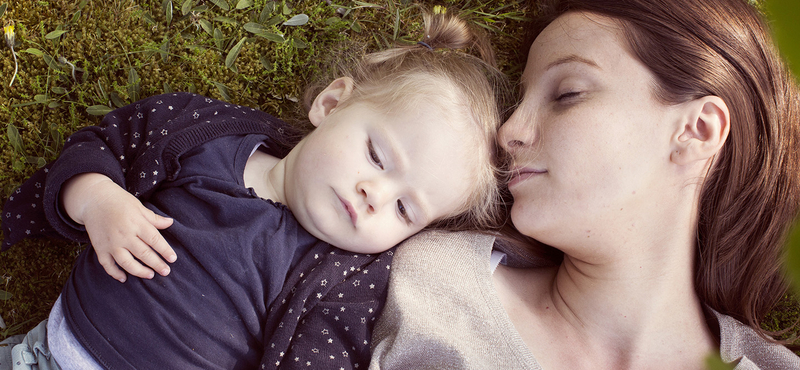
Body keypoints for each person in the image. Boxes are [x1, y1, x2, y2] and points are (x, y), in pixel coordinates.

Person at [0, 12, 509, 370]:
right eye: (377, 156)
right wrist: (98, 201)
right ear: (332, 104)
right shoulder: (206, 134)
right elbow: (102, 146)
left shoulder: (344, 279)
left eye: (404, 208)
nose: (374, 194)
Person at [370, 0, 800, 368]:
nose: (509, 131)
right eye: (519, 102)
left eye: (567, 94)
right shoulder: (431, 284)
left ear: (697, 131)